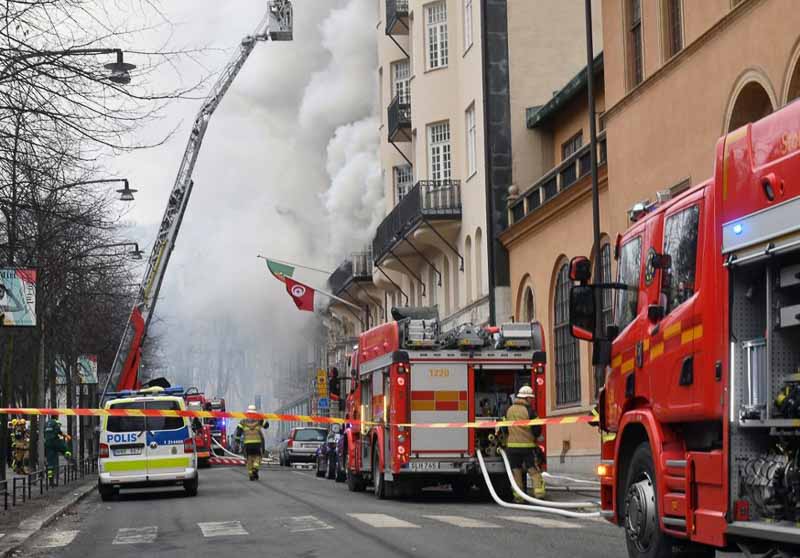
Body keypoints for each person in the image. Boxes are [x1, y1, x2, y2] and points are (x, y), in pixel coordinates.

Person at [500, 385, 545, 502]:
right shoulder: (530, 411)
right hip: (527, 447)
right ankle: (539, 494)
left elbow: (503, 429)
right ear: (527, 398)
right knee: (533, 471)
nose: (531, 400)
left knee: (516, 472)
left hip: (512, 448)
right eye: (530, 398)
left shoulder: (508, 410)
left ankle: (519, 497)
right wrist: (536, 437)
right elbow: (536, 429)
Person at [235, 405, 269, 481]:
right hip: (257, 443)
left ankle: (251, 474)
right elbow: (267, 426)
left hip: (247, 443)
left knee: (249, 458)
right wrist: (262, 419)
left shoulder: (243, 421)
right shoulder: (259, 420)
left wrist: (237, 441)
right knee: (258, 457)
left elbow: (238, 431)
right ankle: (255, 469)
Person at [44, 418, 72, 485]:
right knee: (64, 448)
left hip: (47, 445)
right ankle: (68, 455)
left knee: (50, 464)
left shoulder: (47, 426)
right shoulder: (55, 428)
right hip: (54, 443)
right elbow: (59, 433)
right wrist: (66, 451)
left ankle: (50, 481)